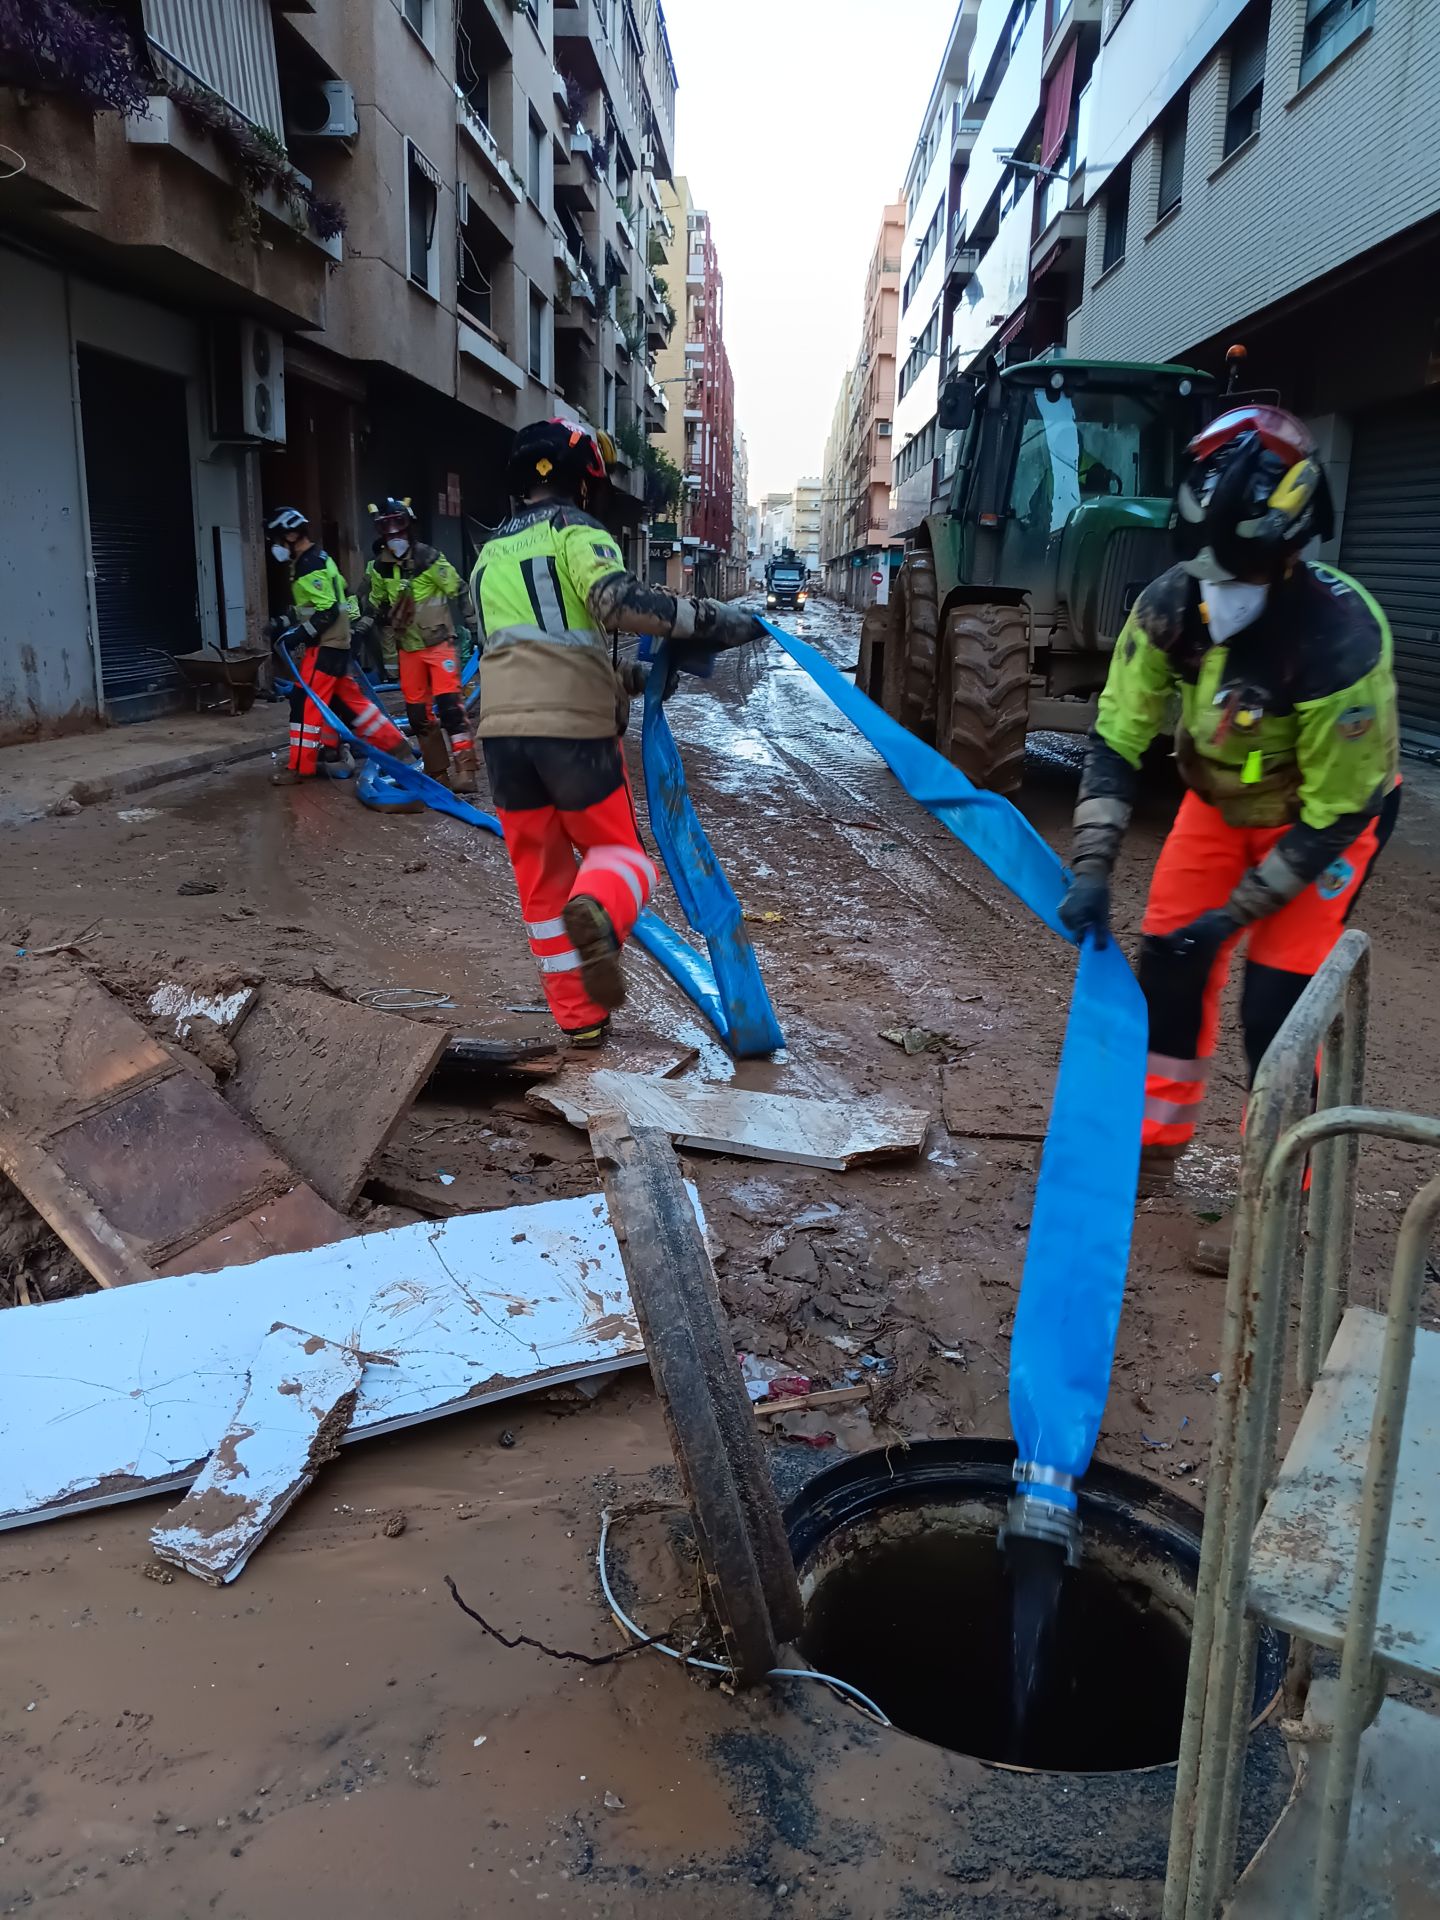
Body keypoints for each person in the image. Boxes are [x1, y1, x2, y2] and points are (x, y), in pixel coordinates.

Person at [1058, 406, 1400, 1265]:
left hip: (1325, 820)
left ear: (1290, 553)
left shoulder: (1339, 646)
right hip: (1219, 799)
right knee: (1169, 963)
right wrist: (1093, 863)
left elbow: (1337, 815)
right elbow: (1117, 738)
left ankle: (1282, 1201)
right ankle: (1155, 1150)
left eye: (1238, 569)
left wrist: (1241, 911)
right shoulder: (1171, 607)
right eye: (1205, 563)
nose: (1218, 589)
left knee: (1277, 1008)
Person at [472, 417, 762, 1047]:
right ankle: (601, 911)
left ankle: (580, 1023)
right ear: (584, 482)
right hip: (575, 735)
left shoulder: (489, 553)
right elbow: (614, 603)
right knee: (621, 857)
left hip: (502, 740)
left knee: (542, 881)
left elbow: (525, 647)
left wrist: (626, 677)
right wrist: (710, 619)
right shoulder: (576, 530)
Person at [266, 507, 413, 785]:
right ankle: (397, 746)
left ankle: (300, 766)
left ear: (292, 534)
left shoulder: (310, 564)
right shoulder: (317, 559)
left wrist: (299, 635)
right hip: (337, 643)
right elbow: (318, 602)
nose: (275, 546)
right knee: (350, 700)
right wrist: (282, 621)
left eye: (277, 539)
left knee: (305, 702)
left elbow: (329, 609)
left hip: (325, 645)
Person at [365, 499, 477, 793]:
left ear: (408, 526)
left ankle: (466, 769)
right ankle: (437, 771)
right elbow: (376, 602)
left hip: (438, 644)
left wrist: (475, 627)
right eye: (386, 531)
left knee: (450, 708)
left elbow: (460, 588)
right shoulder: (380, 568)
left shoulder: (430, 559)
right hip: (408, 649)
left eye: (398, 528)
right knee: (418, 716)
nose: (394, 537)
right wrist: (370, 617)